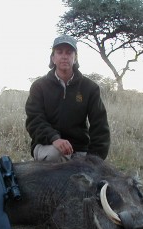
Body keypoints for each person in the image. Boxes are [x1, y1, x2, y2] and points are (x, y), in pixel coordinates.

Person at [25, 34, 110, 162]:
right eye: (59, 52)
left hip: (79, 149)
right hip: (48, 145)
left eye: (69, 52)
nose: (64, 56)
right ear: (53, 58)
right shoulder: (38, 86)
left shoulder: (90, 88)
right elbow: (34, 121)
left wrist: (94, 160)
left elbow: (100, 126)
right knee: (55, 154)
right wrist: (54, 138)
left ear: (75, 58)